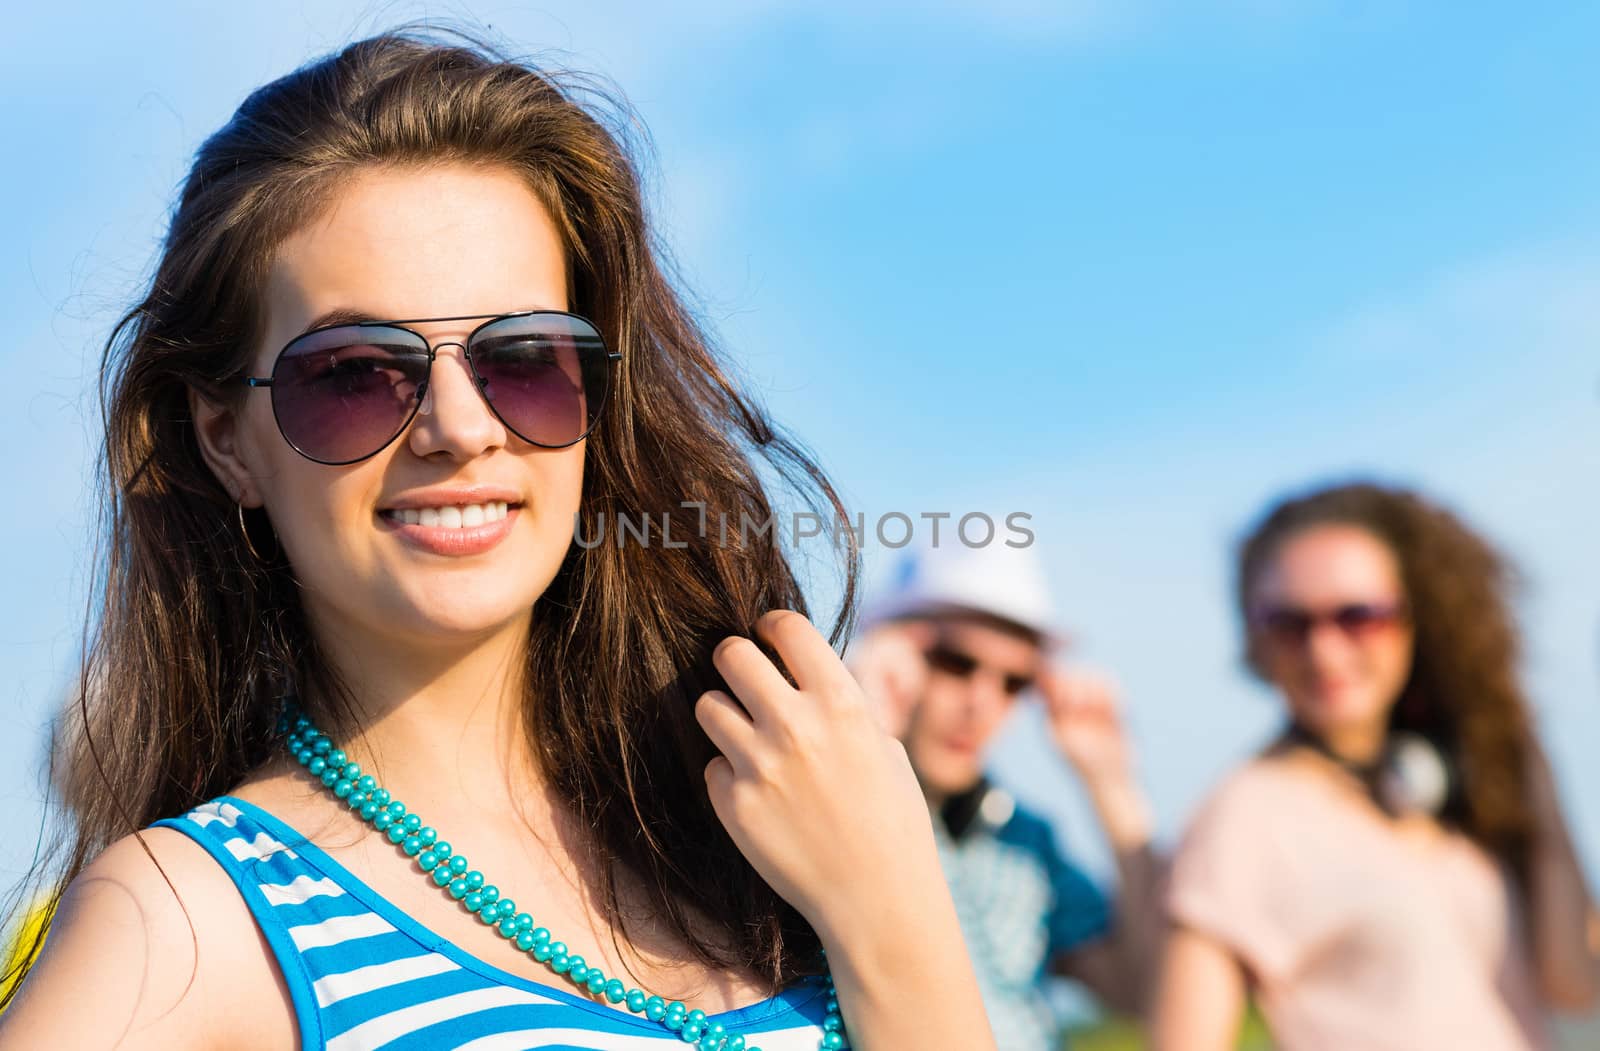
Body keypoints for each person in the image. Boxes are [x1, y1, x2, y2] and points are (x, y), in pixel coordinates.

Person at [0, 30, 1000, 1051]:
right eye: (352, 373)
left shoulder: (771, 832)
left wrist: (893, 911)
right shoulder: (184, 925)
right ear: (228, 442)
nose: (461, 427)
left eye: (524, 359)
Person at [1152, 481, 1600, 1051]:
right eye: (1288, 624)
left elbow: (1575, 986)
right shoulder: (1245, 813)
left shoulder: (1451, 787)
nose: (1324, 651)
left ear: (1421, 619)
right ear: (1256, 638)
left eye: (1358, 616)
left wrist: (1526, 767)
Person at [847, 541, 1163, 1050]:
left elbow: (1146, 992)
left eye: (1015, 682)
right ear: (888, 648)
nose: (983, 702)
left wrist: (1113, 786)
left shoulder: (1029, 841)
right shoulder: (802, 808)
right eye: (956, 662)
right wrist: (858, 729)